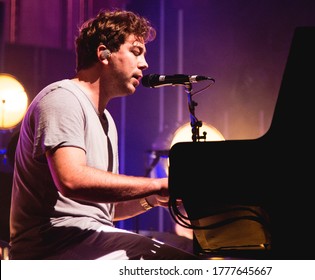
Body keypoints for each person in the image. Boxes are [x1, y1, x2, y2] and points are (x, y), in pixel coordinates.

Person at [9, 8, 198, 260]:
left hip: (85, 240)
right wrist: (156, 183)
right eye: (136, 51)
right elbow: (72, 180)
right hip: (52, 248)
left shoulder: (106, 120)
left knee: (189, 253)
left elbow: (104, 209)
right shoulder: (63, 98)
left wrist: (152, 198)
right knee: (183, 263)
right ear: (103, 53)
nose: (145, 64)